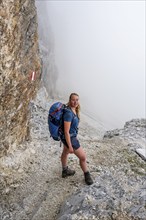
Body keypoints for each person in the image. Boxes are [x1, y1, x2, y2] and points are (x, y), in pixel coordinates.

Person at [60, 93, 93, 185]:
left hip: (68, 137)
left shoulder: (74, 109)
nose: (75, 102)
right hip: (69, 138)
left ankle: (65, 170)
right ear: (69, 100)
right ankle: (87, 175)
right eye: (73, 100)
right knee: (83, 157)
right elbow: (66, 132)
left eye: (77, 100)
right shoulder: (68, 113)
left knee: (65, 153)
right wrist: (70, 146)